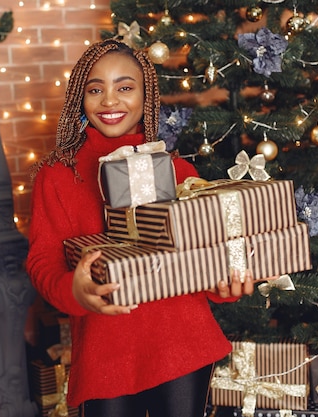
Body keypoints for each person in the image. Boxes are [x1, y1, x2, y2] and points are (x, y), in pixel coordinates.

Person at [26, 39, 254, 417]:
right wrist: (75, 291)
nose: (109, 100)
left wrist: (226, 286)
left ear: (146, 96)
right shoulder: (56, 177)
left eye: (125, 87)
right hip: (106, 355)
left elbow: (206, 255)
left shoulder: (179, 172)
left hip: (184, 345)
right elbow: (42, 261)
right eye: (95, 89)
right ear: (79, 99)